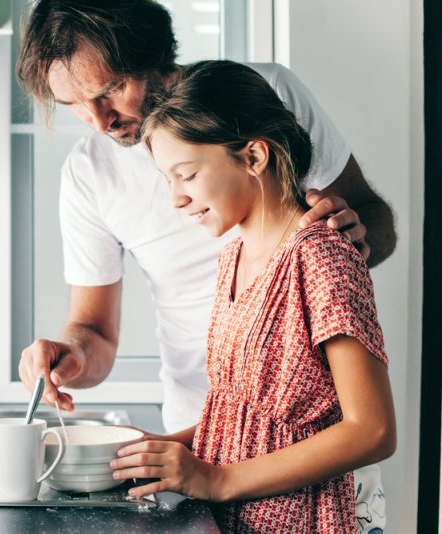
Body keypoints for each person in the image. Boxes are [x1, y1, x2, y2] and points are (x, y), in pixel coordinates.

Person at [15, 0, 394, 529]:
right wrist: (76, 359)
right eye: (73, 104)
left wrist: (348, 246)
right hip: (208, 441)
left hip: (300, 475)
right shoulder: (225, 252)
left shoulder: (266, 98)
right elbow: (96, 332)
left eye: (107, 91)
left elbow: (370, 428)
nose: (97, 121)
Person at [107, 59, 396, 532]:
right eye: (168, 180)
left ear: (254, 157)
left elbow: (374, 430)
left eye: (187, 174)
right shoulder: (232, 259)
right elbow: (241, 415)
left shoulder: (322, 257)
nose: (176, 198)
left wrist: (216, 480)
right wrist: (163, 449)